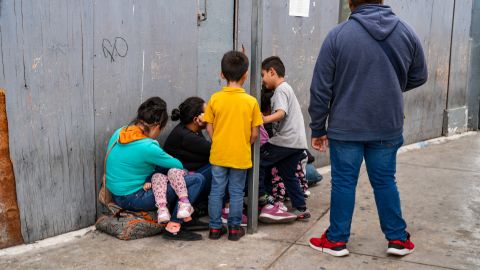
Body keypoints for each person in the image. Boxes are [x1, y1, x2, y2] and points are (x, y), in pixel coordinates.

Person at [308, 0, 427, 257]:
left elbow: (320, 87)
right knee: (385, 181)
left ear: (350, 3)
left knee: (343, 183)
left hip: (346, 126)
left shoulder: (338, 36)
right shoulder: (406, 32)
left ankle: (337, 241)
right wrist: (391, 87)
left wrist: (317, 127)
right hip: (387, 125)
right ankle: (397, 239)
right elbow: (420, 75)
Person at [106, 97, 205, 241]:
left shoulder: (120, 132)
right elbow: (177, 165)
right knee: (196, 179)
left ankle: (185, 216)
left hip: (115, 194)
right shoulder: (148, 146)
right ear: (157, 125)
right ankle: (174, 227)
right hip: (133, 198)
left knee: (160, 170)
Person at [204, 50, 263, 241]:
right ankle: (235, 230)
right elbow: (255, 134)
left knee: (216, 191)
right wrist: (244, 142)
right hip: (240, 155)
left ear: (222, 74)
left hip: (219, 154)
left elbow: (209, 125)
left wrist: (218, 139)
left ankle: (214, 229)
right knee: (237, 192)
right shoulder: (251, 102)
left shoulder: (215, 99)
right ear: (245, 75)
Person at [259, 56, 310, 220]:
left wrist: (264, 119)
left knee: (257, 159)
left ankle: (260, 196)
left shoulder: (280, 89)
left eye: (263, 75)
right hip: (297, 142)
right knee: (288, 174)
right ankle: (300, 208)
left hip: (285, 141)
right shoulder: (287, 88)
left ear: (272, 72)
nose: (262, 80)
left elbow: (281, 113)